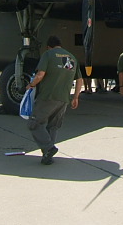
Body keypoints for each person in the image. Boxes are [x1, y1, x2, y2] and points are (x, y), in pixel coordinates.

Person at [26, 36, 83, 165]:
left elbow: (40, 74)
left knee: (34, 123)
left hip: (48, 96)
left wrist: (31, 85)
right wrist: (76, 97)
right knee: (53, 126)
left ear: (48, 46)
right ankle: (47, 156)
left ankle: (48, 148)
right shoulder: (72, 58)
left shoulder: (48, 54)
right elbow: (79, 80)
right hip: (64, 99)